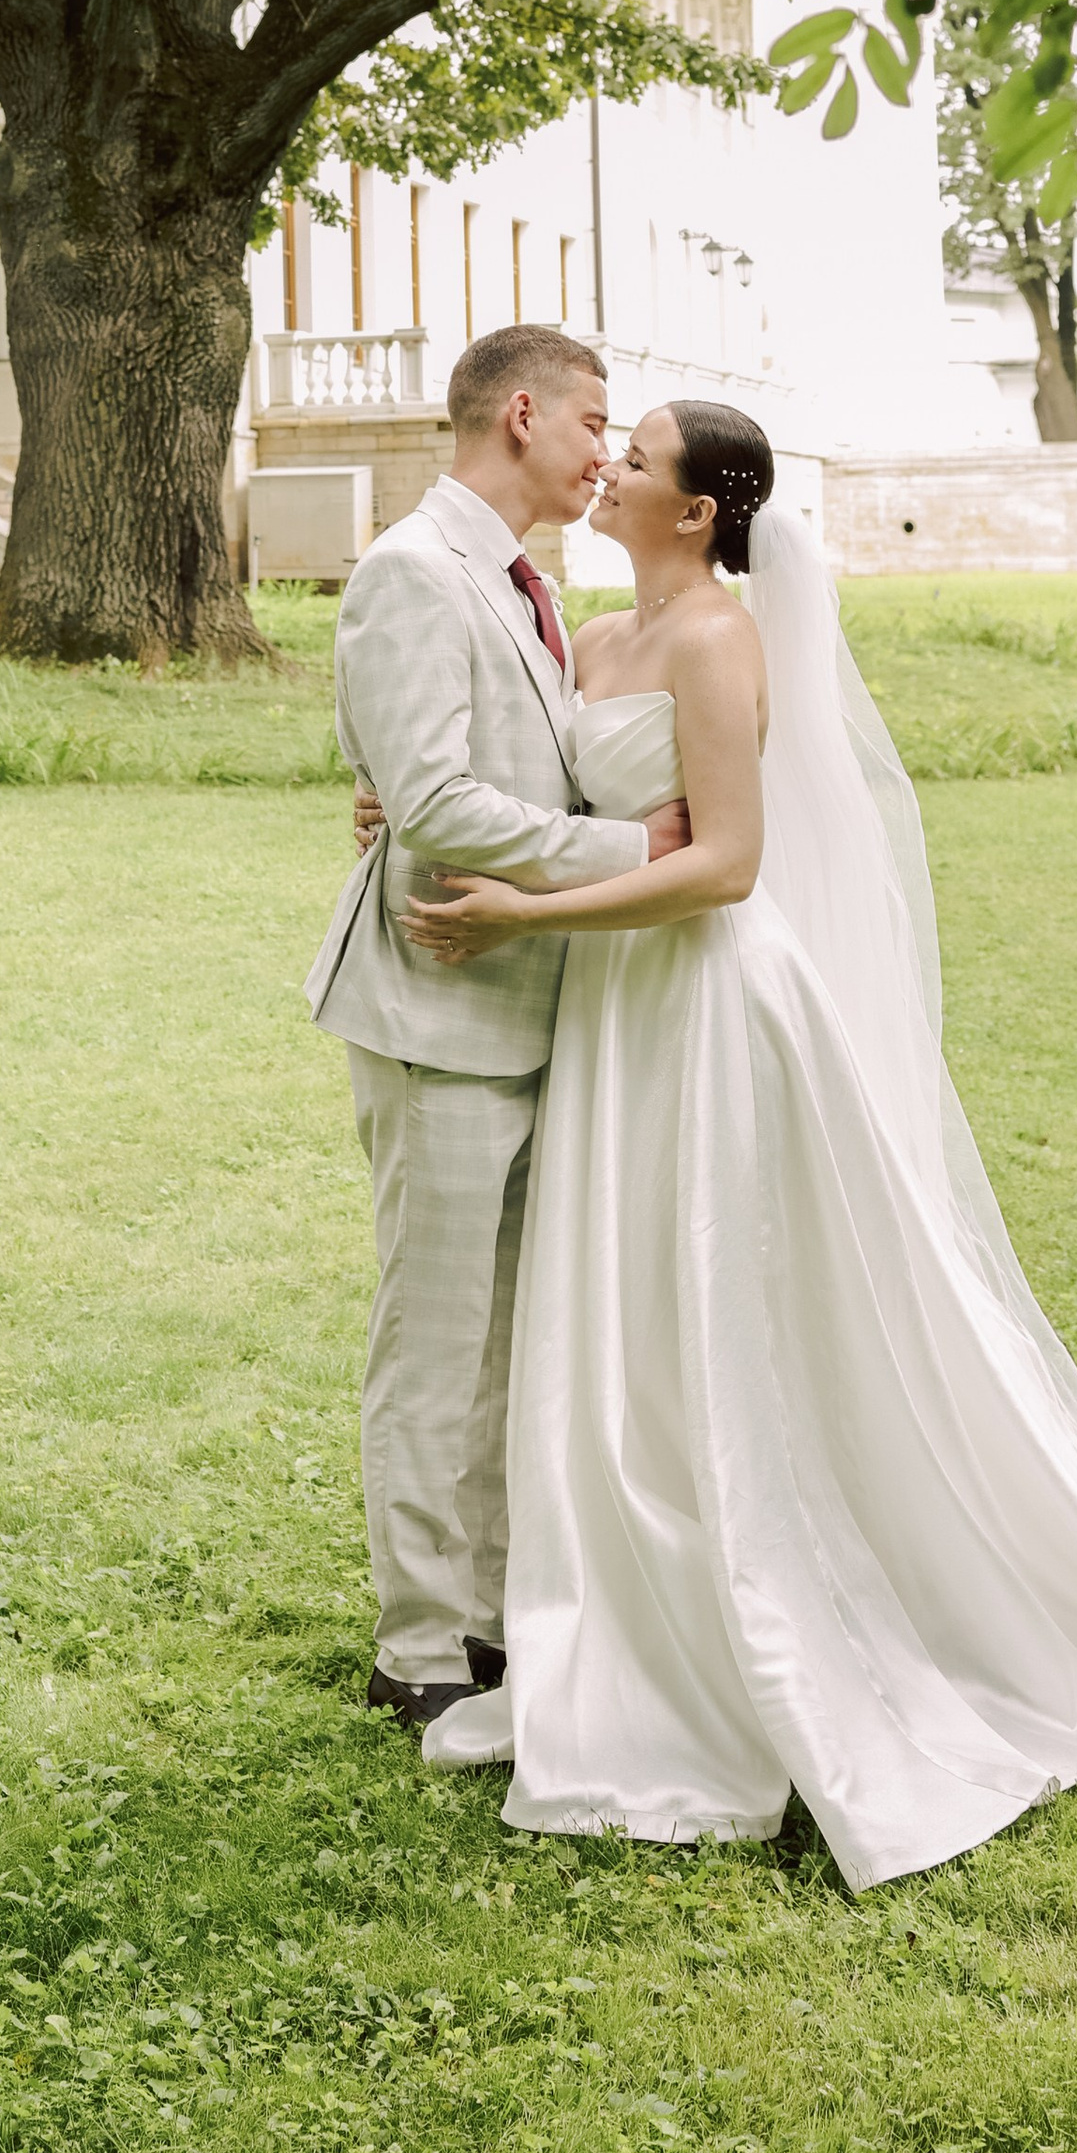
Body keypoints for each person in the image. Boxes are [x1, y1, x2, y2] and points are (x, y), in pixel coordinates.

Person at [393, 398, 1077, 1889]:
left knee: (723, 1303)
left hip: (705, 1006)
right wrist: (404, 807)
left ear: (697, 514)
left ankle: (762, 1597)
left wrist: (525, 916)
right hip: (613, 1011)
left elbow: (727, 867)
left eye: (641, 457)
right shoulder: (593, 639)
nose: (611, 467)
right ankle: (621, 1584)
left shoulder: (722, 643)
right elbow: (539, 790)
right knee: (625, 1313)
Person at [305, 324, 691, 1728]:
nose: (605, 454)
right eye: (596, 425)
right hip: (438, 1005)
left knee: (509, 1341)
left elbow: (446, 773)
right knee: (438, 1336)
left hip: (539, 1006)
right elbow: (434, 804)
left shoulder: (527, 583)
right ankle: (418, 1649)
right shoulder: (415, 571)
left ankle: (487, 1620)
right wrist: (636, 852)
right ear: (522, 415)